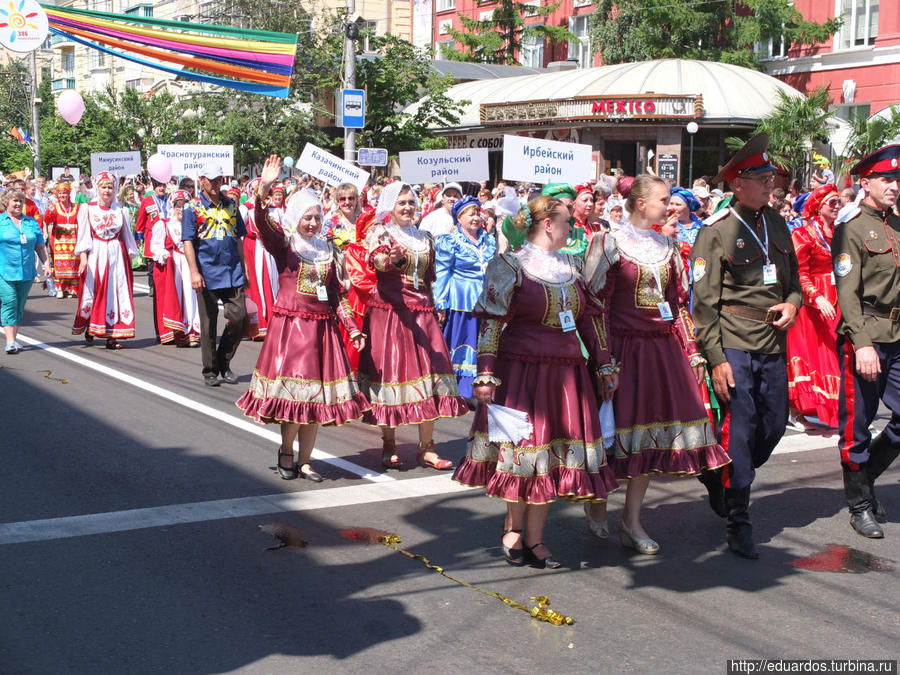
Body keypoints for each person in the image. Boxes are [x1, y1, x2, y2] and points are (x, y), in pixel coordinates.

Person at [452, 195, 620, 569]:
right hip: (521, 372)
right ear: (548, 225)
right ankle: (514, 526)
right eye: (566, 222)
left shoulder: (574, 267)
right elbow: (492, 324)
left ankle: (536, 538)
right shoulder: (510, 266)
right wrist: (485, 373)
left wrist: (605, 365)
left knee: (550, 457)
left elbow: (592, 322)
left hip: (567, 375)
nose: (572, 227)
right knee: (524, 452)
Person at [583, 176, 730, 554]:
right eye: (664, 200)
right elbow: (595, 307)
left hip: (661, 351)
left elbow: (678, 304)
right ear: (639, 202)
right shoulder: (608, 242)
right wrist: (603, 361)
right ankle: (596, 499)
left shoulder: (667, 246)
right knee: (610, 433)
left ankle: (631, 520)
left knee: (647, 437)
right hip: (620, 350)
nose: (670, 206)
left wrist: (693, 351)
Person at [690, 133, 802, 559]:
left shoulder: (776, 223)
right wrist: (716, 359)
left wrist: (792, 305)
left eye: (771, 176)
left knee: (772, 426)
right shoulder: (715, 232)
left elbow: (794, 285)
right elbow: (703, 304)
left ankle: (722, 474)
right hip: (734, 341)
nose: (770, 183)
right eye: (760, 177)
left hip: (773, 342)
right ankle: (739, 517)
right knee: (741, 428)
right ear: (738, 184)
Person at [237, 156, 370, 481]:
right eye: (306, 217)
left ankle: (306, 460)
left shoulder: (328, 249)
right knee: (294, 397)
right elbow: (262, 220)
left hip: (322, 332)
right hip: (291, 331)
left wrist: (352, 330)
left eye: (316, 217)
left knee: (316, 400)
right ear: (296, 217)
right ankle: (286, 451)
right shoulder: (284, 245)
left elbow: (337, 295)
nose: (312, 223)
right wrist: (265, 187)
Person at [357, 182, 469, 470]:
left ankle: (426, 448)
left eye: (411, 202)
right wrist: (390, 260)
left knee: (431, 377)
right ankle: (389, 444)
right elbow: (377, 260)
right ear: (391, 207)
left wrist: (435, 306)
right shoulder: (380, 233)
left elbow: (430, 276)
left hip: (423, 312)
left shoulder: (426, 237)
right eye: (401, 203)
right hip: (391, 313)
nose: (407, 207)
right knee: (392, 376)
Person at [831, 144, 900, 539]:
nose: (894, 186)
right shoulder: (852, 227)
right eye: (886, 179)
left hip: (898, 335)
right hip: (867, 336)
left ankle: (867, 478)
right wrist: (862, 344)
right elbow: (847, 291)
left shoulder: (897, 224)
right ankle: (859, 505)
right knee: (858, 424)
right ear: (866, 182)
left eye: (897, 179)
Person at [182, 162, 249, 387]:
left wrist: (245, 268)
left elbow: (239, 238)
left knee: (240, 318)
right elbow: (188, 242)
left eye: (219, 179)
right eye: (211, 179)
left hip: (232, 270)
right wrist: (193, 271)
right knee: (209, 323)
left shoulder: (231, 204)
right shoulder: (191, 207)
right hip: (207, 272)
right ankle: (210, 369)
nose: (215, 183)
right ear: (201, 179)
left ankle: (224, 360)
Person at [786, 184, 842, 428]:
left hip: (837, 299)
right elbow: (799, 272)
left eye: (839, 201)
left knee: (832, 355)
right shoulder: (803, 233)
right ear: (819, 208)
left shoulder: (840, 232)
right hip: (811, 304)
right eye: (832, 202)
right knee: (809, 355)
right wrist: (816, 296)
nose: (838, 206)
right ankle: (796, 411)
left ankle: (837, 410)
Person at [434, 196, 497, 400]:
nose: (476, 217)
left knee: (483, 343)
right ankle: (459, 387)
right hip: (461, 299)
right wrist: (440, 303)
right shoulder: (450, 241)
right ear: (459, 218)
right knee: (463, 340)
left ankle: (480, 384)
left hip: (485, 300)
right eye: (471, 214)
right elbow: (442, 272)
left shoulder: (488, 240)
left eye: (478, 213)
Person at [72, 172, 140, 349]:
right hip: (96, 252)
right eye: (103, 187)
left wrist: (131, 257)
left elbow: (126, 236)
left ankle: (112, 335)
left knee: (116, 293)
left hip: (117, 255)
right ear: (97, 188)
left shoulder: (121, 210)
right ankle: (91, 324)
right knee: (95, 291)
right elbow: (84, 235)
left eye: (110, 187)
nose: (107, 191)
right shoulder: (87, 209)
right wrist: (83, 258)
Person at [0, 189, 50, 353]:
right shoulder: (1, 221)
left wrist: (46, 264)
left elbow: (40, 247)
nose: (18, 204)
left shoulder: (31, 223)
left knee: (20, 305)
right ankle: (10, 341)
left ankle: (14, 338)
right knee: (9, 302)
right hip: (4, 271)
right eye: (14, 200)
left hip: (27, 272)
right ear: (6, 202)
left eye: (21, 201)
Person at [149, 190, 200, 346]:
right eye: (178, 206)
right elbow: (155, 246)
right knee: (176, 296)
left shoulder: (194, 224)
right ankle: (176, 331)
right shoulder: (164, 224)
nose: (181, 210)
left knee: (191, 297)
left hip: (190, 263)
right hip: (174, 265)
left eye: (184, 206)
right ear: (173, 207)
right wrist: (163, 253)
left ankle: (192, 331)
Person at [341, 207, 377, 372]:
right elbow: (359, 279)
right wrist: (385, 288)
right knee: (355, 348)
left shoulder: (389, 249)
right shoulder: (355, 249)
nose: (378, 231)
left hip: (382, 304)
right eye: (374, 227)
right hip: (361, 304)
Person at [42, 182, 80, 299]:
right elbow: (47, 220)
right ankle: (59, 287)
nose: (62, 195)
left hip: (73, 239)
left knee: (73, 263)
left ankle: (73, 288)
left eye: (64, 193)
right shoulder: (55, 207)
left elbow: (81, 221)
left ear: (68, 194)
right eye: (60, 194)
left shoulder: (76, 207)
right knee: (59, 263)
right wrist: (51, 212)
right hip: (59, 239)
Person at [135, 179, 168, 303]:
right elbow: (141, 220)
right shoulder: (147, 201)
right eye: (159, 186)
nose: (161, 188)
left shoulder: (169, 200)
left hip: (167, 235)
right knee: (153, 262)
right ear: (154, 187)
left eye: (163, 186)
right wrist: (139, 237)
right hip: (152, 235)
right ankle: (152, 286)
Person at [323, 182, 361, 249]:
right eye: (343, 199)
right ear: (337, 201)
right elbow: (323, 247)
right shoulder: (331, 224)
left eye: (351, 198)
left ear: (356, 200)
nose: (347, 202)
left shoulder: (363, 222)